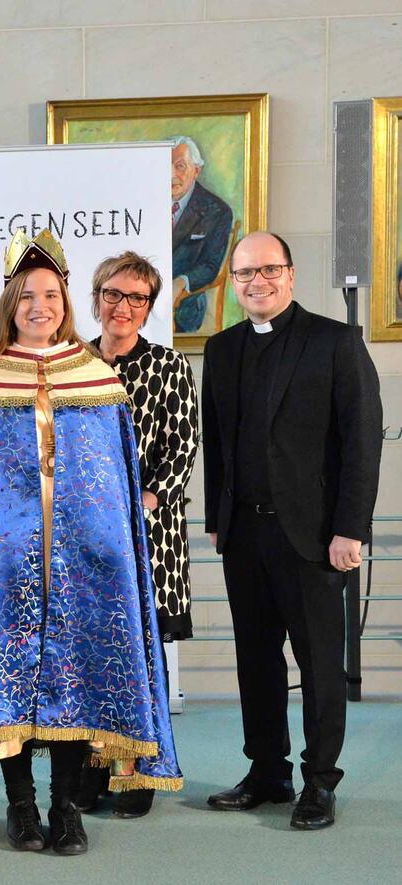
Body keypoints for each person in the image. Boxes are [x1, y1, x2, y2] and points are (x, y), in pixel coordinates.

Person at [0, 230, 181, 857]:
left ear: (65, 301)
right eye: (28, 294)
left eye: (52, 294)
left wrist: (110, 546)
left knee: (73, 679)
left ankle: (66, 809)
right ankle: (21, 808)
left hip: (85, 566)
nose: (41, 305)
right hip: (3, 567)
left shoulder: (96, 379)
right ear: (11, 302)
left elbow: (115, 478)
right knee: (7, 688)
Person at [201, 231, 382, 830]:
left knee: (320, 665)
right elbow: (217, 445)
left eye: (268, 270)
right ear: (235, 284)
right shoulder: (222, 349)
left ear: (291, 274)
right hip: (244, 536)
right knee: (255, 661)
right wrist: (217, 521)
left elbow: (361, 445)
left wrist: (350, 529)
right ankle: (268, 772)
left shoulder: (336, 342)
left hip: (313, 538)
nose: (257, 282)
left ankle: (320, 781)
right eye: (246, 273)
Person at [80, 251, 199, 819]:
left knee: (138, 662)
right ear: (95, 297)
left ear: (149, 306)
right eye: (113, 294)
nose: (122, 307)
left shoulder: (170, 366)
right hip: (80, 541)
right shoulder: (73, 360)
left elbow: (183, 450)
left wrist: (139, 503)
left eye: (136, 298)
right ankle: (88, 773)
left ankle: (137, 778)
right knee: (85, 659)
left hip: (147, 539)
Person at [170, 135, 235, 333]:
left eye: (180, 166)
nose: (170, 174)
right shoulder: (144, 206)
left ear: (196, 170)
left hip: (184, 308)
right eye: (164, 166)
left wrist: (180, 282)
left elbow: (210, 266)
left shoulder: (216, 211)